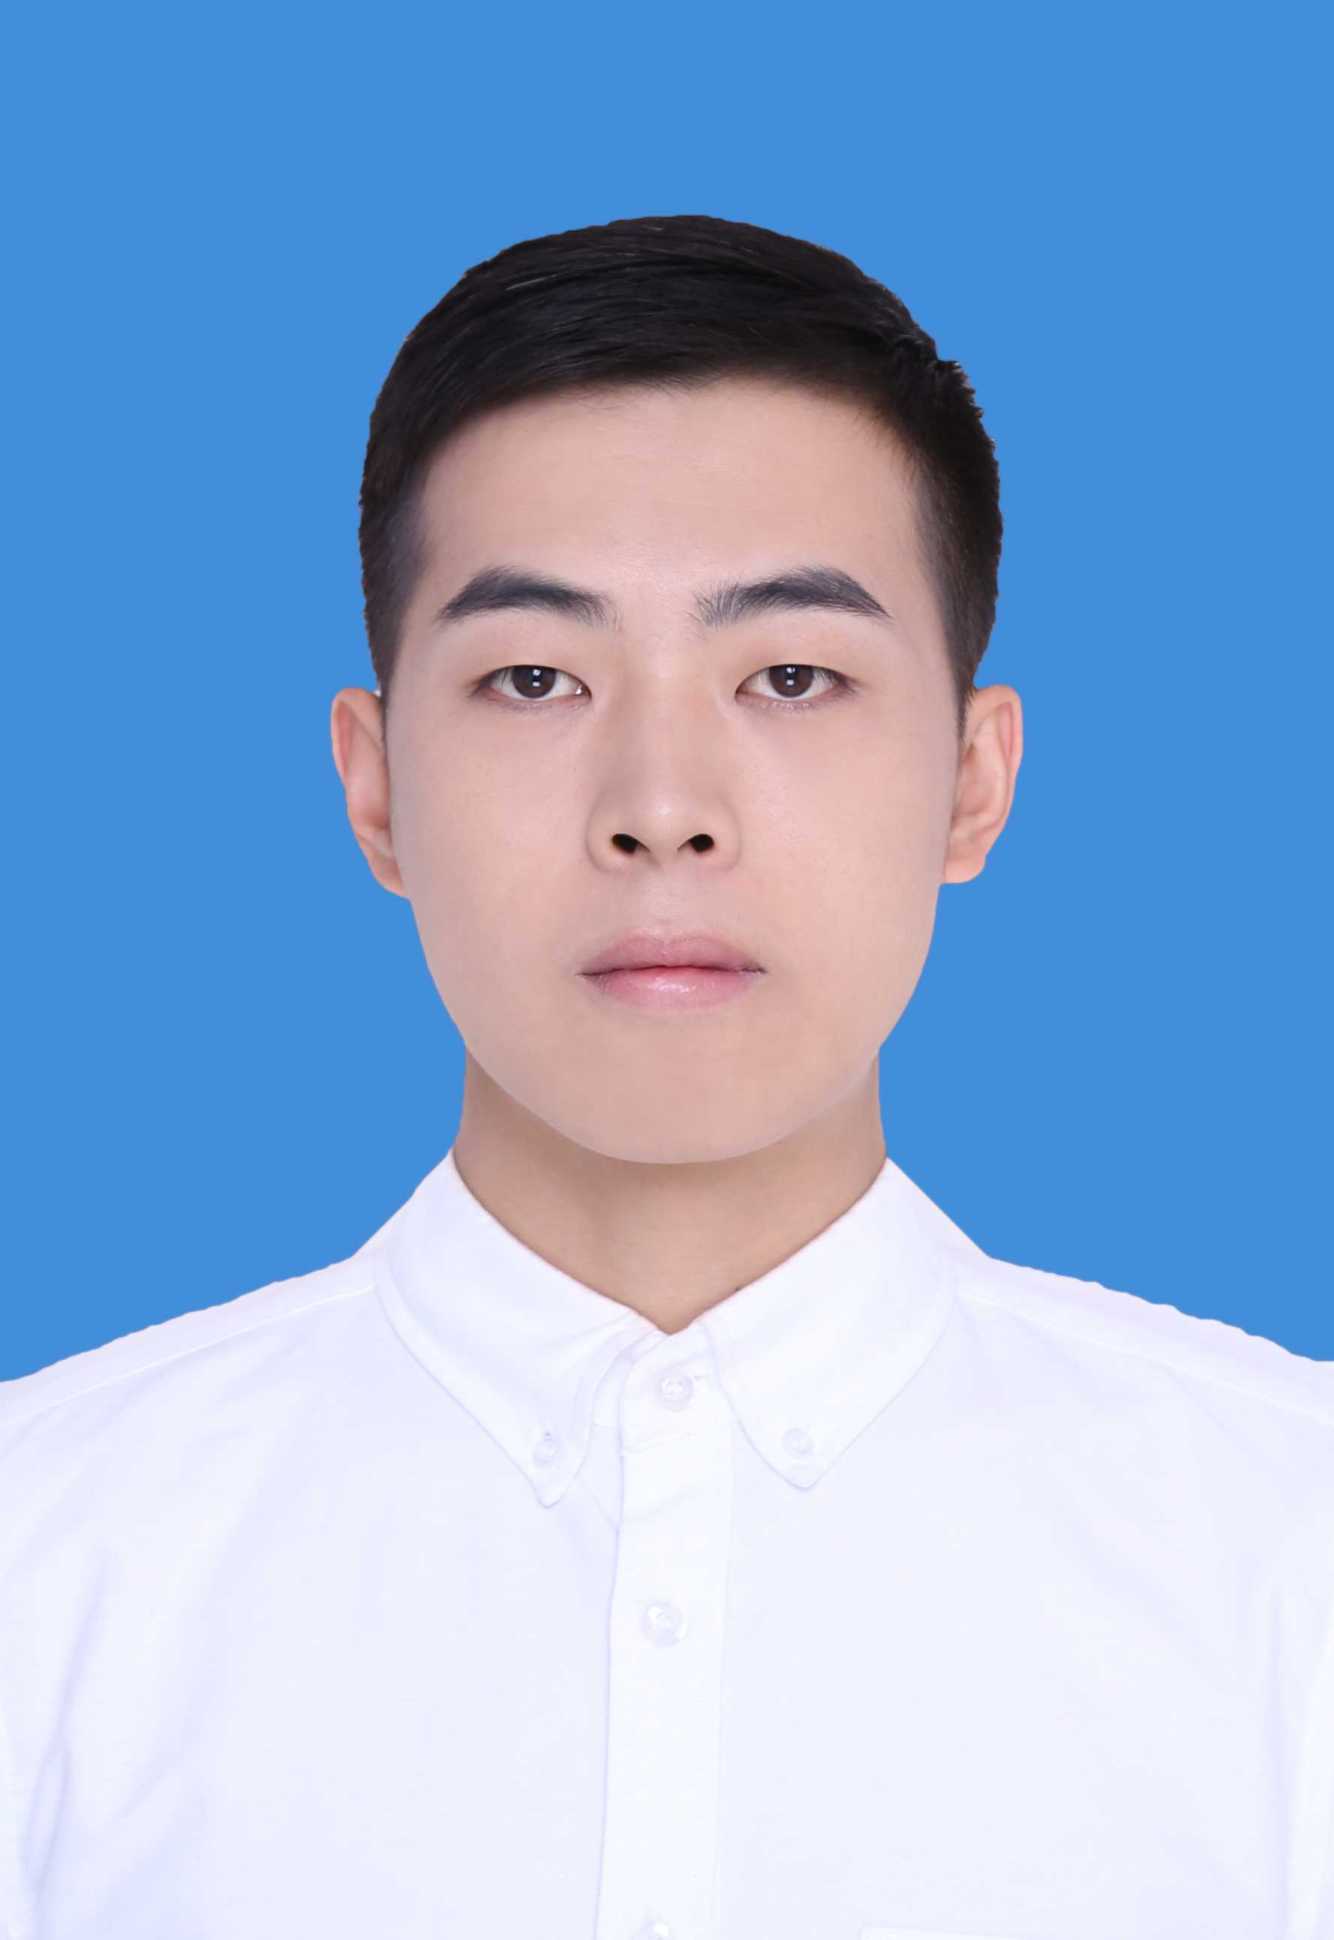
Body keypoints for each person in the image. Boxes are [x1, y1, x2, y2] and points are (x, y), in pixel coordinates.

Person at [2, 214, 1330, 1940]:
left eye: (791, 675)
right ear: (375, 787)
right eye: (533, 677)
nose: (660, 807)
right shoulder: (48, 1555)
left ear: (971, 782)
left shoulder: (1286, 1550)